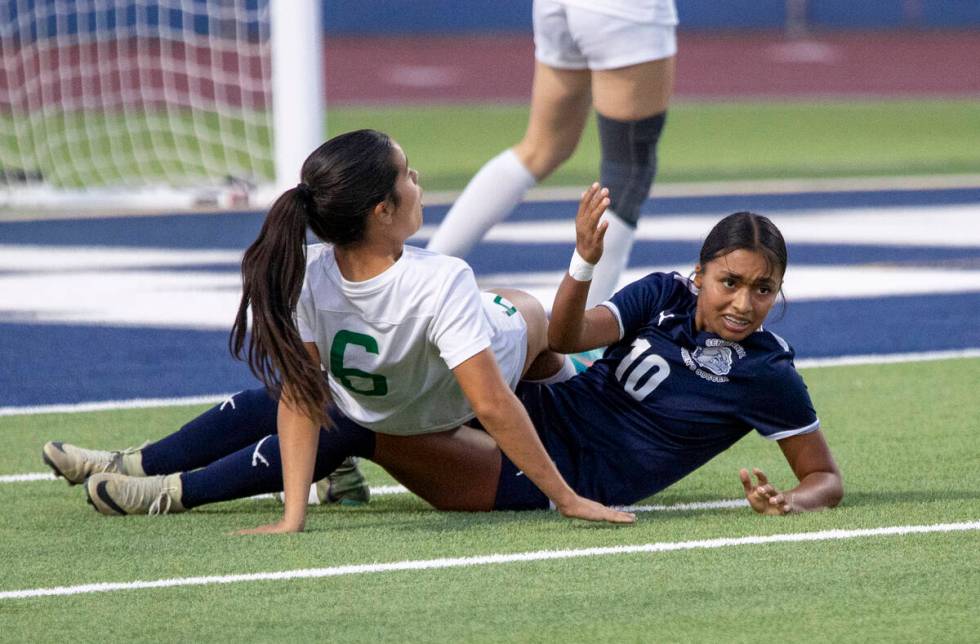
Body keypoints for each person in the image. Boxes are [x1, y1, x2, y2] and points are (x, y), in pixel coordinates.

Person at [46, 185, 843, 519]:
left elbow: (825, 476)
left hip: (549, 476)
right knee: (360, 380)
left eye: (763, 288)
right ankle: (138, 457)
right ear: (703, 272)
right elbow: (568, 337)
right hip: (534, 415)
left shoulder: (768, 371)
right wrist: (580, 262)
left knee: (371, 413)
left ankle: (173, 492)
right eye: (731, 281)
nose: (743, 302)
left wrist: (791, 502)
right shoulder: (665, 293)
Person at [44, 129, 632, 529]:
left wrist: (293, 515)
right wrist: (569, 499)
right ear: (381, 209)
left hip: (488, 348)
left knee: (538, 338)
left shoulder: (312, 275)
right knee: (526, 331)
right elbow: (491, 405)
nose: (417, 177)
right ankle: (142, 468)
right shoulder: (444, 277)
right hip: (454, 379)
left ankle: (147, 473)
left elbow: (306, 394)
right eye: (406, 174)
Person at [427, 0, 677, 307]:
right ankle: (584, 341)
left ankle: (422, 281)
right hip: (623, 10)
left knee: (540, 149)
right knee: (627, 171)